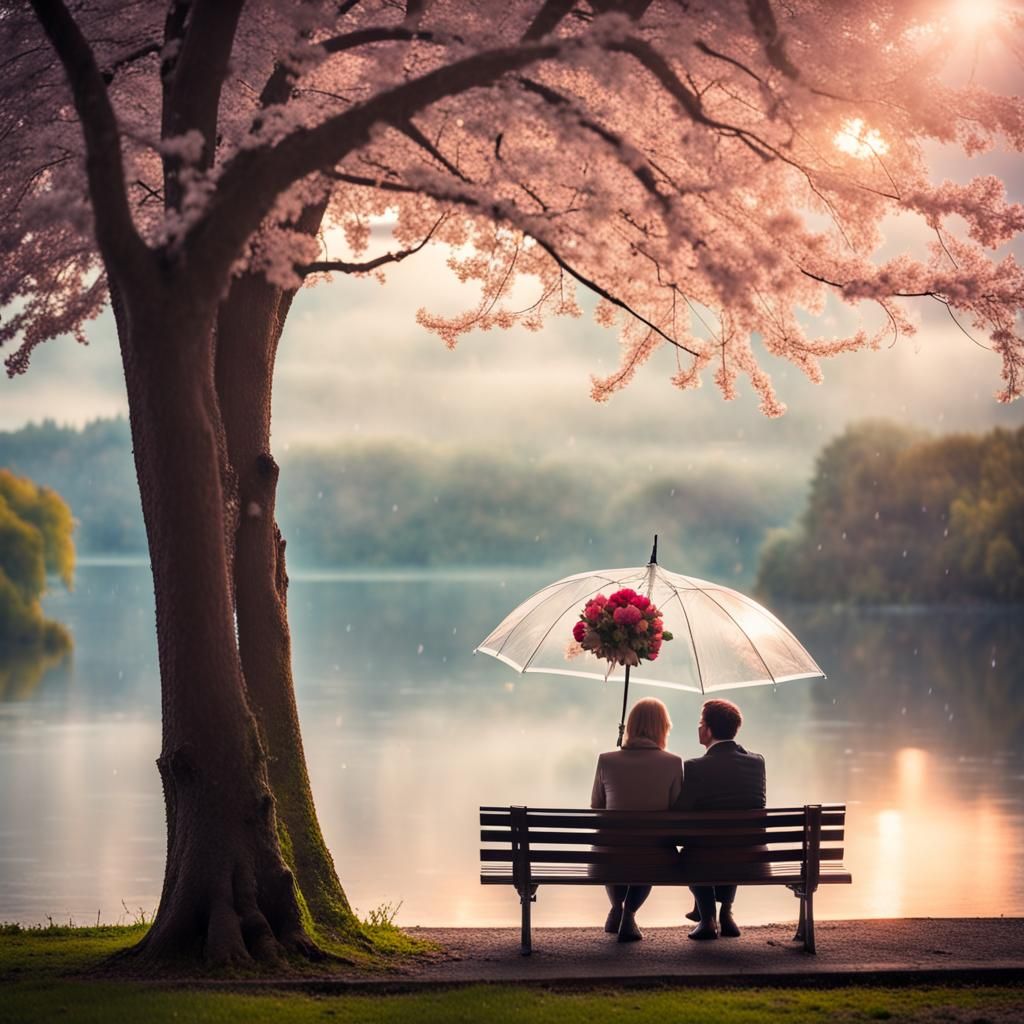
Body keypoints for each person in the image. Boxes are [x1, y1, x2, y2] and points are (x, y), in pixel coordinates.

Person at [590, 696, 683, 942]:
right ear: (663, 727)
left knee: (612, 843)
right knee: (652, 850)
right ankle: (628, 914)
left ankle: (617, 908)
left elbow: (596, 806)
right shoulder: (673, 763)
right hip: (653, 855)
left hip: (608, 855)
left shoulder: (606, 760)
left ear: (629, 726)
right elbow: (677, 810)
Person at [676, 698, 766, 941]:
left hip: (705, 858)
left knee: (693, 851)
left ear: (708, 729)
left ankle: (707, 919)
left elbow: (681, 814)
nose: (698, 727)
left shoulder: (695, 767)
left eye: (700, 722)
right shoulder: (757, 762)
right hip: (749, 856)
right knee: (734, 837)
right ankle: (726, 914)